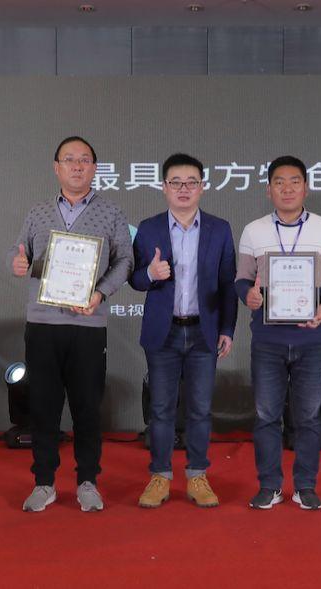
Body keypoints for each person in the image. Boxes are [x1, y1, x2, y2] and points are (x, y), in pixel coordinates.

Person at [9, 136, 133, 513]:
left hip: (88, 324)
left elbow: (125, 261)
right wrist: (17, 263)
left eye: (84, 160)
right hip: (43, 323)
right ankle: (44, 483)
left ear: (94, 168)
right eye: (69, 159)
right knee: (43, 406)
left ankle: (87, 482)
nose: (77, 166)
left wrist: (100, 293)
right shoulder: (38, 212)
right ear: (56, 167)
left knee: (87, 408)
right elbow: (20, 253)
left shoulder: (111, 213)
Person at [235, 155, 321, 511]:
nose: (287, 189)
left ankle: (305, 486)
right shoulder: (254, 231)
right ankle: (269, 486)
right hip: (267, 341)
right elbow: (241, 279)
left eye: (294, 181)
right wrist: (248, 295)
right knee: (266, 416)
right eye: (279, 182)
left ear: (306, 188)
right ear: (268, 190)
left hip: (311, 339)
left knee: (308, 417)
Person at [129, 153, 238, 508]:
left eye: (191, 182)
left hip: (204, 332)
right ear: (164, 187)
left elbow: (228, 283)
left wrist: (227, 328)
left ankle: (197, 476)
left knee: (200, 409)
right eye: (175, 182)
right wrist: (151, 274)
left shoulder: (219, 229)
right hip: (164, 332)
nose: (183, 189)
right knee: (161, 409)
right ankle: (160, 476)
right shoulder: (149, 228)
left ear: (202, 187)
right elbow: (134, 279)